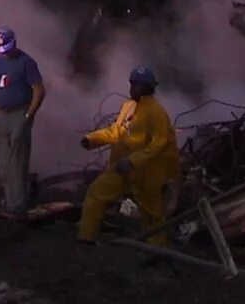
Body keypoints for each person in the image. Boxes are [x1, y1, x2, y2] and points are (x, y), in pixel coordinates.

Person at [76, 66, 181, 246]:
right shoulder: (129, 107)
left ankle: (157, 251)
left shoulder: (156, 112)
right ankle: (86, 238)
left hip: (147, 173)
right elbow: (116, 132)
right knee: (96, 193)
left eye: (138, 85)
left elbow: (159, 143)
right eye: (132, 84)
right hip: (122, 168)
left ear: (148, 87)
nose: (133, 88)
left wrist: (133, 161)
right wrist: (92, 140)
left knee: (152, 214)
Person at [0, 27, 44, 218]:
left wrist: (28, 116)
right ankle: (10, 200)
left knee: (17, 162)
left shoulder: (27, 63)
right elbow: (0, 86)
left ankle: (18, 205)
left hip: (20, 113)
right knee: (4, 162)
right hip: (3, 114)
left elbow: (39, 91)